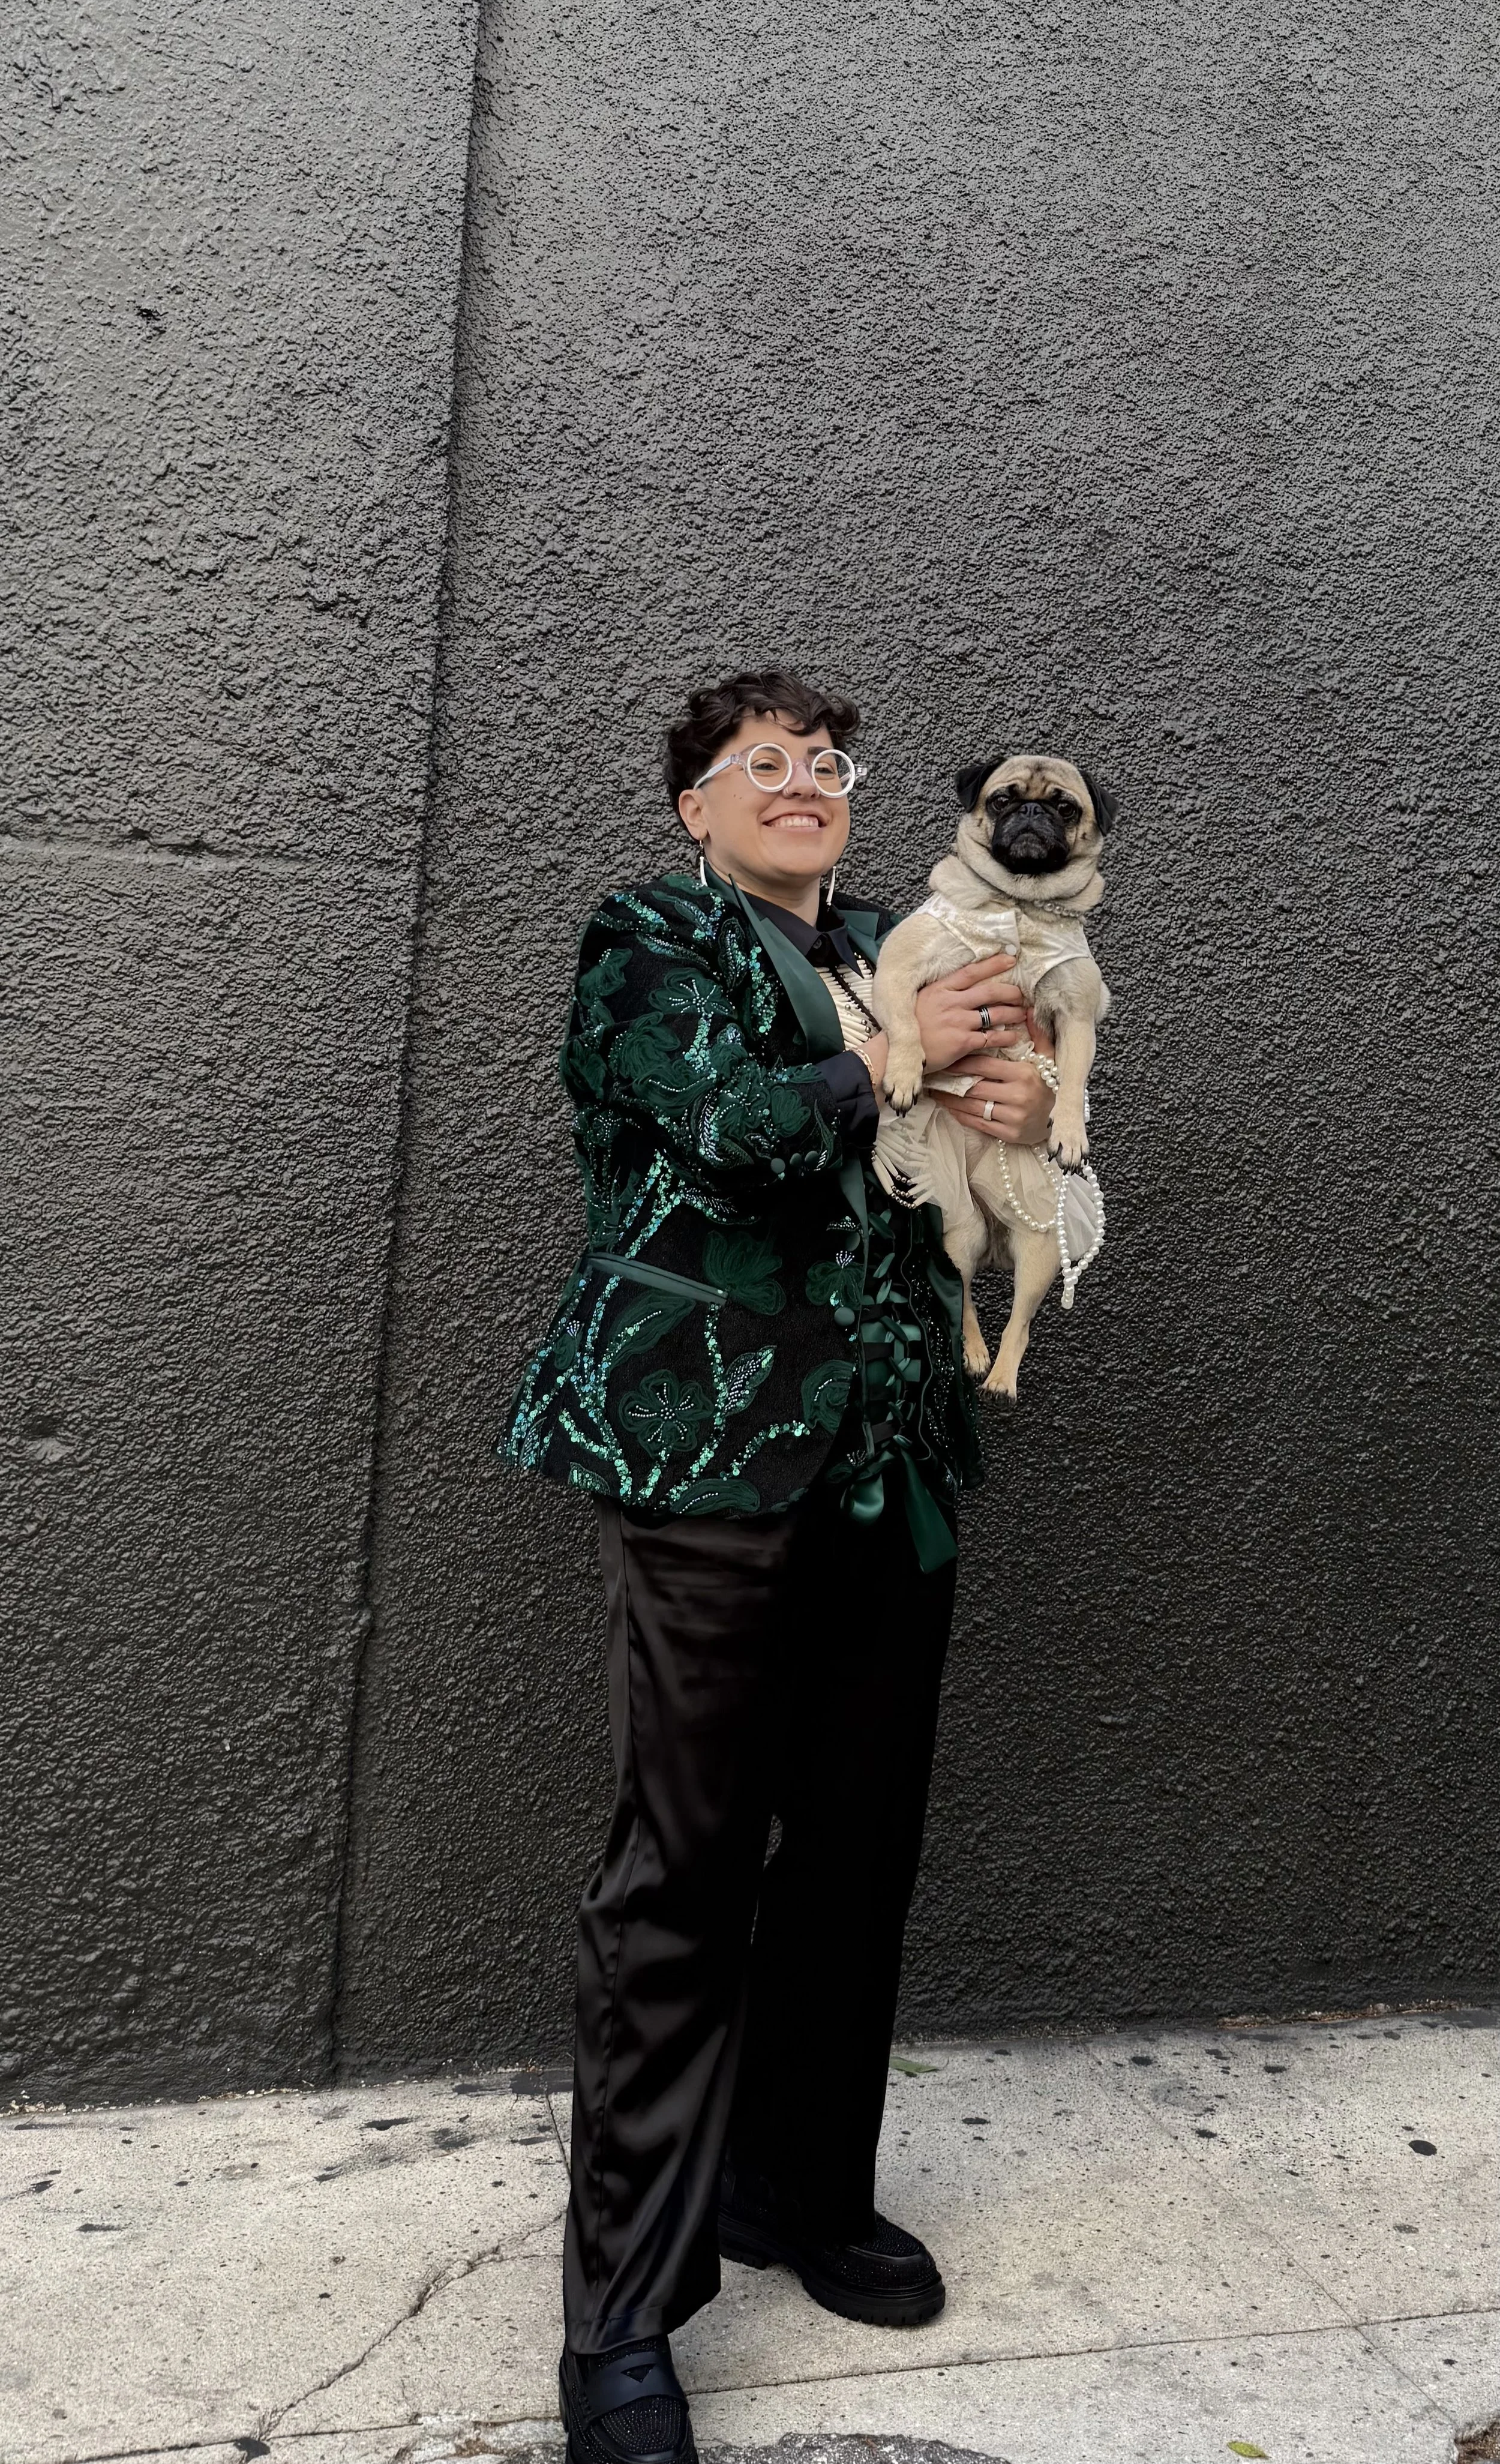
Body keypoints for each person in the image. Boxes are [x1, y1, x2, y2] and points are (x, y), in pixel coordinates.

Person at [502, 669, 1052, 2464]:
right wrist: (901, 1055)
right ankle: (620, 2322)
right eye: (762, 766)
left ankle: (796, 2192)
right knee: (683, 1873)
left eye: (825, 763)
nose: (802, 783)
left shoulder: (896, 932)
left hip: (888, 1463)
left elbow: (975, 1114)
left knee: (856, 1850)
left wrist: (1018, 1099)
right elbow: (728, 1133)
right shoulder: (648, 937)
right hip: (706, 1457)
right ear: (696, 808)